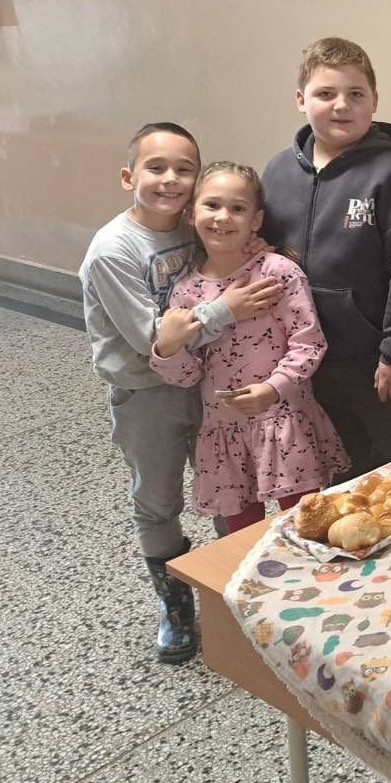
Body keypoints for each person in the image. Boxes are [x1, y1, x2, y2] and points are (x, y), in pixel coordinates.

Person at [79, 123, 283, 662]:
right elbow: (155, 340)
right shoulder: (113, 251)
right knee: (158, 498)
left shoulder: (193, 229)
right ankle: (174, 605)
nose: (170, 179)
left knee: (228, 485)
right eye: (156, 168)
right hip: (147, 396)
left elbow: (224, 263)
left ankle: (230, 588)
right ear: (129, 177)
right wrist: (226, 309)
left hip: (208, 385)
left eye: (183, 169)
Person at [261, 37, 391, 473]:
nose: (341, 105)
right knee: (329, 462)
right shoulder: (277, 172)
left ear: (375, 101)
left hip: (373, 362)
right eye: (325, 93)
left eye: (356, 94)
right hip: (300, 358)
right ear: (300, 100)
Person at [151, 162, 349, 532]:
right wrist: (168, 347)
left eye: (238, 208)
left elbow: (308, 342)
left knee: (307, 524)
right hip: (224, 432)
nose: (223, 217)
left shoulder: (277, 273)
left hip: (284, 421)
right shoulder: (185, 293)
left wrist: (273, 388)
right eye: (212, 205)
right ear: (191, 213)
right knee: (241, 535)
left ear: (256, 220)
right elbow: (188, 375)